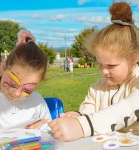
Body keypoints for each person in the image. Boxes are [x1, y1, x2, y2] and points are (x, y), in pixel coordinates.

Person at [48, 2, 139, 141]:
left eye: (111, 65)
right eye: (100, 64)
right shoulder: (97, 88)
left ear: (134, 59)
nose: (104, 71)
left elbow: (129, 108)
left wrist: (82, 126)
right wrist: (78, 116)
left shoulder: (136, 82)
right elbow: (88, 113)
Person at [0, 29, 51, 130]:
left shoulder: (37, 102)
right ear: (3, 67)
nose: (17, 93)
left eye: (27, 90)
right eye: (12, 83)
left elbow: (48, 134)